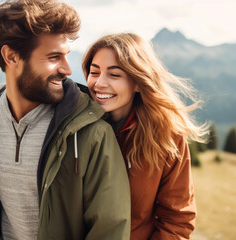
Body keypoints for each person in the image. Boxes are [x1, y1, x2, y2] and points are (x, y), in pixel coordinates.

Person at [0, 1, 131, 239]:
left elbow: (109, 230)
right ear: (11, 57)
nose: (68, 69)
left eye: (66, 55)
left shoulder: (92, 133)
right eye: (54, 57)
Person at [82, 33, 208, 240]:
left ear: (139, 82)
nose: (99, 83)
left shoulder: (167, 138)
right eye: (94, 72)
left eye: (114, 75)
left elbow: (177, 220)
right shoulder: (73, 129)